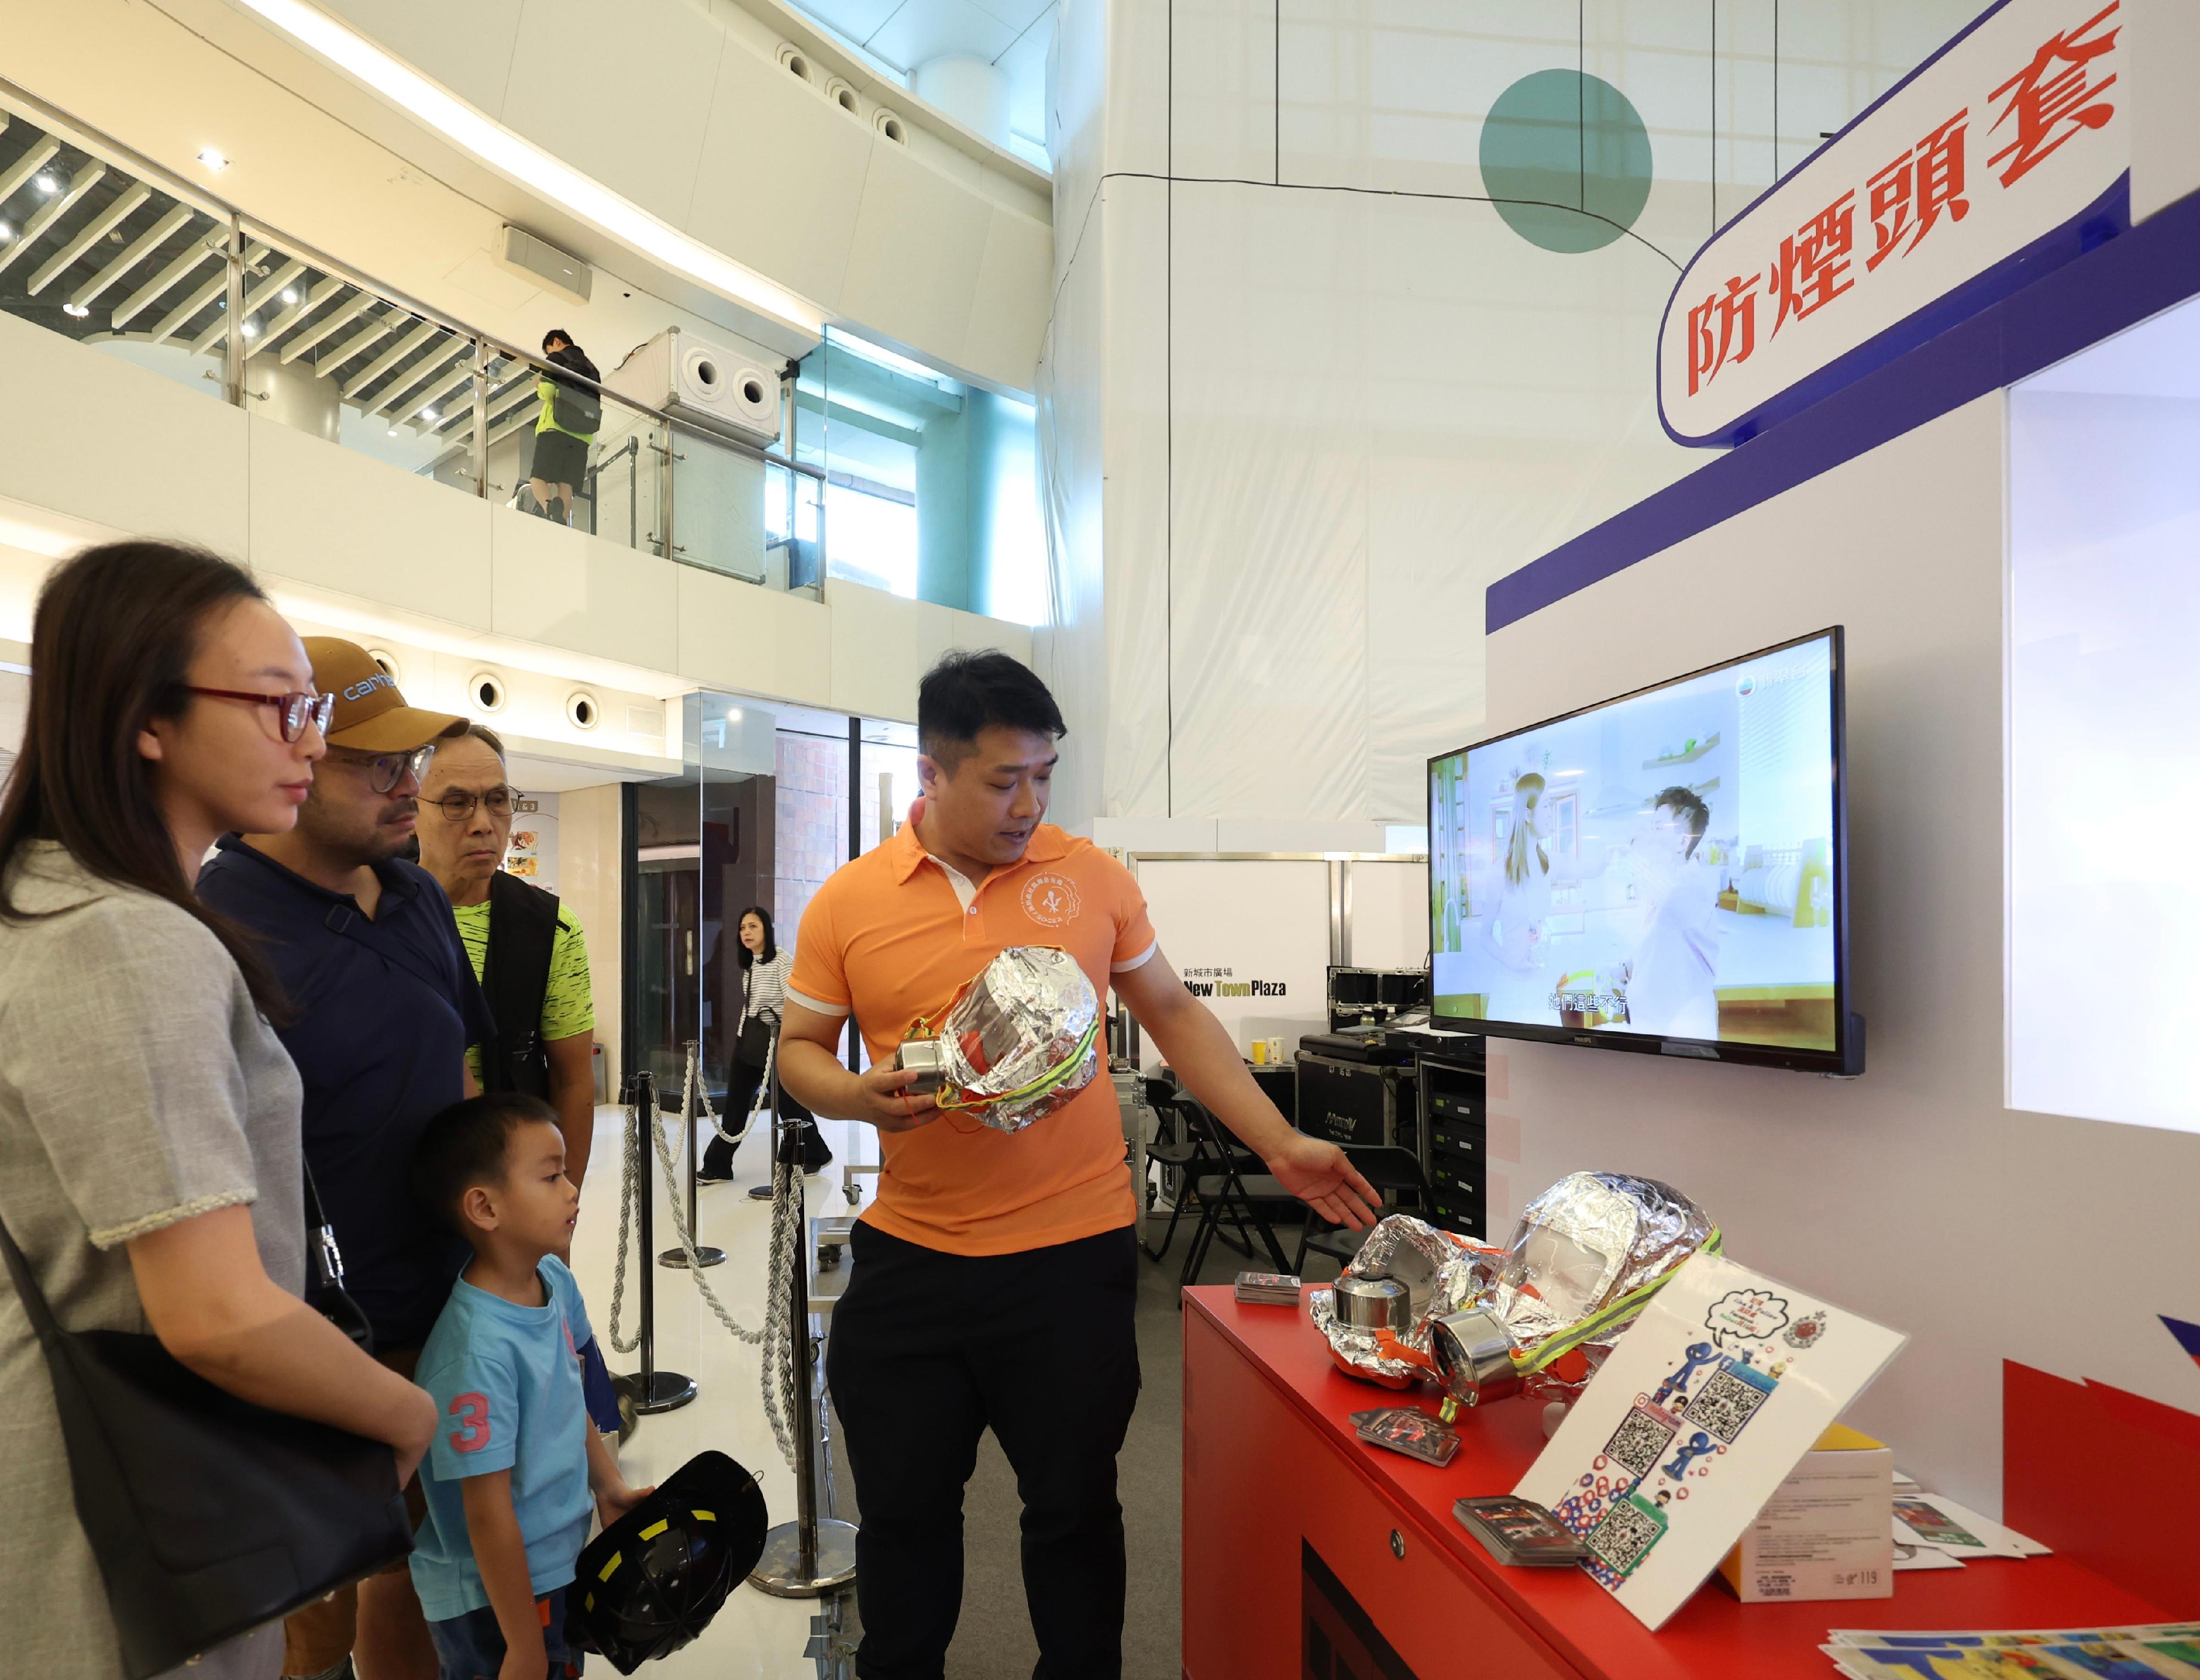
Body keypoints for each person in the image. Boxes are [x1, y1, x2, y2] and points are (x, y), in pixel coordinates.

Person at [778, 649, 1379, 1680]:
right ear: (933, 771)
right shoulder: (848, 901)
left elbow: (1176, 1016)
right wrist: (853, 1095)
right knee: (907, 1521)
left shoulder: (1091, 878)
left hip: (1071, 1257)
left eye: (1045, 774)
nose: (1030, 802)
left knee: (1073, 1514)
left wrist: (1278, 1142)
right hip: (915, 1257)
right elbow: (798, 1053)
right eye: (1004, 779)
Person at [0, 541, 437, 1680]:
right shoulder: (125, 939)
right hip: (131, 1503)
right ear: (149, 717)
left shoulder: (52, 907)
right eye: (279, 705)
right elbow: (217, 1315)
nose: (309, 737)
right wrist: (405, 1416)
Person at [197, 640, 494, 1680]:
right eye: (374, 764)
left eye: (409, 759)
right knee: (312, 1604)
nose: (405, 784)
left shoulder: (413, 898)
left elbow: (459, 1071)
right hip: (314, 1328)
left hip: (446, 1311)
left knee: (425, 1564)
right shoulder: (217, 925)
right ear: (301, 753)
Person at [413, 723, 623, 1438]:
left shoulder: (549, 927)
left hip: (509, 1194)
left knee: (539, 1382)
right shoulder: (379, 911)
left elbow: (572, 1078)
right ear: (414, 808)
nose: (483, 822)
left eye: (499, 801)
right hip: (403, 1196)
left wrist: (559, 1204)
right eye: (457, 801)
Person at [408, 1093, 651, 1680]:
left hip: (558, 1562)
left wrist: (608, 1485)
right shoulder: (475, 1353)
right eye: (550, 1176)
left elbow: (570, 1398)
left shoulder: (553, 1279)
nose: (572, 1189)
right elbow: (486, 1514)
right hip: (497, 1600)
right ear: (484, 1207)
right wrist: (521, 1642)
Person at [697, 904, 792, 1183]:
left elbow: (793, 1003)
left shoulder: (782, 961)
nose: (747, 932)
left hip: (774, 1044)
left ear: (767, 930)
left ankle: (814, 1153)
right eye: (742, 928)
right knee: (736, 1105)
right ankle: (718, 1165)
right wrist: (740, 1036)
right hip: (748, 1043)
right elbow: (751, 1006)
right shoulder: (752, 964)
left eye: (753, 926)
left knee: (788, 1104)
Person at [1621, 785, 1720, 1040]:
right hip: (1651, 1028)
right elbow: (1654, 944)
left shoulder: (1692, 888)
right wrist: (1626, 968)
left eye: (1657, 828)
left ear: (1683, 842)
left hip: (1682, 1033)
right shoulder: (1663, 885)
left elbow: (1670, 906)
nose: (1650, 834)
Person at [528, 330, 599, 526]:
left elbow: (550, 392)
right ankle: (562, 520)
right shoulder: (592, 368)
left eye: (549, 350)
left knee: (538, 479)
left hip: (556, 427)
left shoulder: (557, 358)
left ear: (556, 342)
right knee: (567, 484)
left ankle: (551, 510)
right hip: (583, 435)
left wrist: (538, 384)